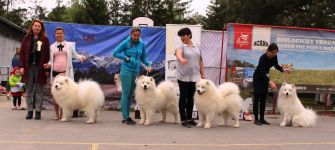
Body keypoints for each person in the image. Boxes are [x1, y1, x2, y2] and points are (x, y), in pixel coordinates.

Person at [44, 27, 86, 120]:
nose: (59, 35)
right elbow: (51, 61)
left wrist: (81, 57)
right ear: (55, 35)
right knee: (55, 95)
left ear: (64, 34)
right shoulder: (52, 47)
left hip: (66, 73)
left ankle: (64, 115)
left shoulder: (69, 45)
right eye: (57, 33)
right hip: (55, 73)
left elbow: (76, 55)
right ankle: (56, 114)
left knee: (66, 95)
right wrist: (48, 65)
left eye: (61, 33)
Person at [113, 27, 153, 125]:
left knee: (130, 94)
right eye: (134, 35)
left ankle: (127, 117)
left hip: (136, 72)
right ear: (131, 34)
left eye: (138, 35)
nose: (136, 37)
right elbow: (115, 52)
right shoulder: (126, 42)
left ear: (140, 36)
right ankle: (125, 117)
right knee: (126, 94)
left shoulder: (142, 44)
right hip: (126, 71)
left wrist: (148, 65)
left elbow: (143, 57)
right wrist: (125, 57)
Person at [18, 19, 50, 120]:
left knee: (39, 90)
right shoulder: (26, 38)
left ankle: (38, 112)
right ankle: (29, 111)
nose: (37, 27)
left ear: (41, 28)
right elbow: (22, 53)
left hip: (40, 67)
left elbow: (47, 55)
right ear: (32, 27)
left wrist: (46, 68)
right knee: (29, 89)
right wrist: (21, 66)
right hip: (28, 67)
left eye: (39, 26)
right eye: (35, 26)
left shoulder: (45, 39)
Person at [252, 43, 291, 125]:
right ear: (268, 51)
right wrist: (270, 82)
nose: (275, 54)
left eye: (276, 53)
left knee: (263, 98)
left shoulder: (274, 57)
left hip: (265, 78)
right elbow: (262, 72)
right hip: (258, 78)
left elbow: (276, 65)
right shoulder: (262, 58)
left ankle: (262, 119)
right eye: (273, 52)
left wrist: (284, 70)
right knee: (257, 98)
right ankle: (256, 119)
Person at [175, 27, 205, 128]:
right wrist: (181, 59)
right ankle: (183, 119)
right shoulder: (180, 46)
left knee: (191, 98)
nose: (182, 38)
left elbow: (200, 61)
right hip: (183, 75)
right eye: (181, 36)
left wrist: (202, 74)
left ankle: (189, 118)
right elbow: (178, 54)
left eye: (183, 36)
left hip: (195, 76)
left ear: (188, 35)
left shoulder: (197, 46)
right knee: (183, 97)